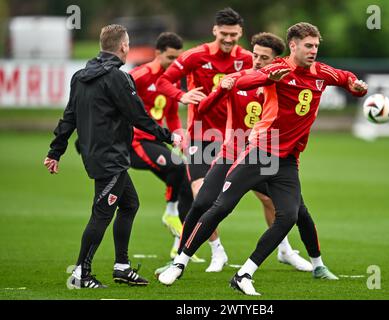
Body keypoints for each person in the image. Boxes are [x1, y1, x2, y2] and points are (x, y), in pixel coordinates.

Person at [157, 22, 368, 295]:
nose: (314, 51)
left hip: (288, 161)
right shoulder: (278, 69)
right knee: (220, 207)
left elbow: (346, 78)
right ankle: (181, 262)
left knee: (290, 215)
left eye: (316, 46)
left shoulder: (322, 72)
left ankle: (245, 273)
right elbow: (251, 78)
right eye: (308, 46)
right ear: (293, 46)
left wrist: (357, 87)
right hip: (259, 154)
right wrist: (232, 81)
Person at [156, 32, 313, 277]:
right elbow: (203, 108)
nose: (257, 61)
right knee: (204, 202)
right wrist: (218, 90)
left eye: (264, 58)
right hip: (228, 147)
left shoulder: (284, 84)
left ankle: (289, 251)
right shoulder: (238, 77)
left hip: (263, 151)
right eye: (256, 56)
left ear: (277, 60)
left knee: (282, 206)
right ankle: (186, 259)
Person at [43, 24, 181, 289]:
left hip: (97, 155)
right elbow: (138, 116)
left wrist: (55, 151)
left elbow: (69, 117)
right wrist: (169, 136)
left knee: (130, 204)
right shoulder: (119, 77)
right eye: (127, 44)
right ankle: (81, 275)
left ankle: (122, 267)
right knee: (102, 213)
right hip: (111, 159)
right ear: (123, 47)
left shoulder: (80, 75)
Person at [156, 7, 253, 272]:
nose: (229, 39)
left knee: (268, 197)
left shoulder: (247, 58)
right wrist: (181, 96)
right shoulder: (196, 55)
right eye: (224, 33)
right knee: (201, 194)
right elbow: (164, 81)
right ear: (214, 30)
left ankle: (285, 250)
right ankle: (217, 250)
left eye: (233, 34)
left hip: (239, 137)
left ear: (240, 32)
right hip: (202, 135)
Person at [128, 32, 203, 263]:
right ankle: (170, 214)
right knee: (178, 168)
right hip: (135, 142)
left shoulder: (170, 81)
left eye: (178, 58)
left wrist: (179, 136)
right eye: (170, 58)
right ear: (158, 53)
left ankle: (179, 247)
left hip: (156, 139)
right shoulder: (139, 75)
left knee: (187, 187)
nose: (175, 63)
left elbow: (171, 114)